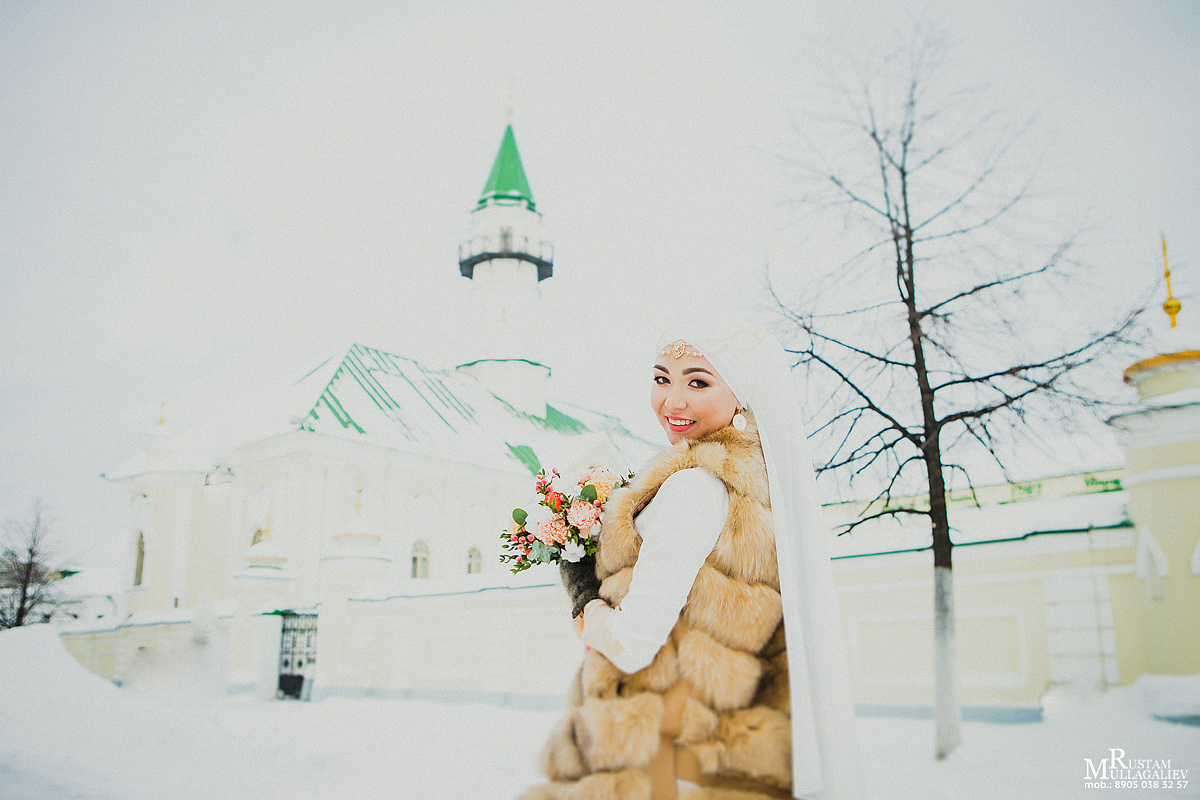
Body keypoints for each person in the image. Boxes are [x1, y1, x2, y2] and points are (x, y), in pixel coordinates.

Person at [520, 315, 861, 800]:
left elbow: (632, 644)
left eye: (697, 382)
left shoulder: (692, 488)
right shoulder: (755, 485)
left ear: (741, 395)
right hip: (712, 747)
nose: (672, 401)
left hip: (656, 754)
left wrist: (583, 593)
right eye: (662, 379)